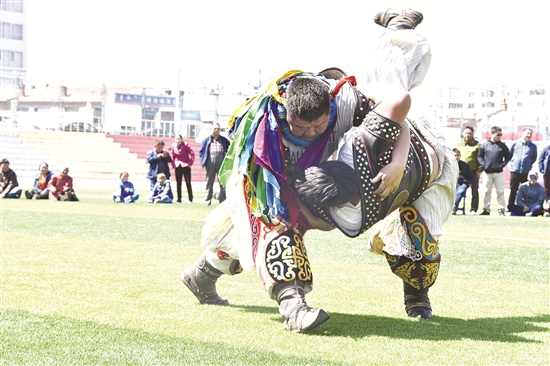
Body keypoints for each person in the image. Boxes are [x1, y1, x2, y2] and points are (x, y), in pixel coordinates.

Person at [181, 7, 431, 332]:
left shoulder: (345, 101)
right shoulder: (263, 130)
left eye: (318, 126)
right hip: (267, 178)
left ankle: (199, 275)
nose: (310, 133)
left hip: (318, 174)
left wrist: (398, 161)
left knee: (249, 234)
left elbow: (397, 107)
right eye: (301, 129)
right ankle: (294, 308)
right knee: (268, 228)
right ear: (286, 116)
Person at [294, 109, 457, 319]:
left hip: (434, 161)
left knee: (424, 253)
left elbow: (400, 109)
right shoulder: (348, 215)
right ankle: (392, 232)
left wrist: (398, 164)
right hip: (405, 181)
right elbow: (323, 223)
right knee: (414, 246)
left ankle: (417, 294)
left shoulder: (357, 148)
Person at [478, 126, 510, 216]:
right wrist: (483, 165)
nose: (500, 136)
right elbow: (479, 156)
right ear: (492, 134)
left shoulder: (503, 146)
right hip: (487, 172)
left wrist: (502, 165)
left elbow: (507, 157)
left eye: (501, 134)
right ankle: (486, 209)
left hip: (498, 172)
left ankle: (501, 209)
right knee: (486, 191)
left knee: (500, 191)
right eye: (498, 134)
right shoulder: (484, 145)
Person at [199, 122, 230, 206]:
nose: (217, 130)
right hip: (210, 160)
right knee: (209, 181)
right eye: (215, 128)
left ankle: (223, 200)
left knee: (222, 181)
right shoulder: (206, 140)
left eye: (218, 129)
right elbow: (201, 152)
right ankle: (207, 200)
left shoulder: (224, 140)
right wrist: (204, 162)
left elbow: (230, 148)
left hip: (222, 160)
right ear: (211, 129)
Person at [507, 128, 537, 207]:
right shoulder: (515, 144)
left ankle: (524, 206)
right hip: (515, 171)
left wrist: (528, 164)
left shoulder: (533, 146)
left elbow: (533, 158)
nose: (529, 135)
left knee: (525, 191)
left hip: (526, 172)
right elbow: (509, 155)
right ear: (523, 133)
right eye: (527, 133)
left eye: (530, 134)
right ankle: (510, 206)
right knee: (513, 190)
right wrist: (514, 163)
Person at [456, 126, 482, 214]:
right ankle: (454, 208)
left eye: (469, 133)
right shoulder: (459, 145)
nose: (467, 135)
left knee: (474, 191)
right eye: (466, 133)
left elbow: (481, 158)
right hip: (462, 172)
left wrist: (479, 170)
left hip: (474, 171)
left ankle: (473, 209)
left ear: (472, 134)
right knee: (458, 190)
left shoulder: (477, 145)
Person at [170, 134, 195, 203]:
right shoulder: (173, 146)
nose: (178, 140)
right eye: (176, 139)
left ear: (181, 139)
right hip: (178, 166)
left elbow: (192, 153)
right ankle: (179, 199)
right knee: (178, 183)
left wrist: (190, 163)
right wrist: (173, 164)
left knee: (188, 182)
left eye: (179, 139)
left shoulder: (186, 145)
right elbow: (172, 156)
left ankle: (190, 198)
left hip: (185, 165)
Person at [452, 148, 474, 214]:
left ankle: (454, 206)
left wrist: (469, 184)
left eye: (457, 155)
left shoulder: (465, 164)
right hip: (452, 184)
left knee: (460, 191)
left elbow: (470, 175)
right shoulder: (449, 165)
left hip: (462, 183)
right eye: (455, 155)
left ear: (460, 156)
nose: (456, 157)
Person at [538, 144, 550, 215]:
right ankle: (548, 209)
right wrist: (542, 169)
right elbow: (541, 159)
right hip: (548, 173)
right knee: (548, 191)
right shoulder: (546, 148)